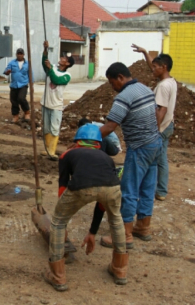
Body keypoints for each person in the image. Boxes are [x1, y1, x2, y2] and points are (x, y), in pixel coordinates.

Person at [43, 124, 128, 291]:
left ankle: (58, 276)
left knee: (58, 223)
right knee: (116, 220)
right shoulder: (106, 158)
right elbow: (102, 202)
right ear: (98, 143)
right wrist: (92, 232)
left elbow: (62, 187)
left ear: (77, 141)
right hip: (112, 188)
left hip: (80, 187)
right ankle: (120, 269)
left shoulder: (68, 154)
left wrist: (63, 218)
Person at [99, 62, 163, 249]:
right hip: (155, 143)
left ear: (120, 77)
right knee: (147, 187)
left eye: (112, 83)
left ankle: (124, 235)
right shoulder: (145, 89)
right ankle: (143, 227)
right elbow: (157, 114)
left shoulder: (124, 97)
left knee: (128, 190)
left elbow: (111, 126)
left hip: (140, 147)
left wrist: (86, 137)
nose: (113, 88)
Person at [132, 45, 177, 201]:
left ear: (163, 67)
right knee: (160, 157)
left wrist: (155, 132)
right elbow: (153, 65)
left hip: (162, 126)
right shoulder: (170, 81)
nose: (152, 69)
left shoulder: (163, 87)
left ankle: (160, 190)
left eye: (156, 67)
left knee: (158, 159)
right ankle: (160, 189)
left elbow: (161, 110)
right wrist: (145, 52)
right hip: (169, 124)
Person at [41, 41, 74, 160]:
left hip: (56, 105)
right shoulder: (53, 67)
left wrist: (49, 68)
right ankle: (47, 149)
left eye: (64, 58)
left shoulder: (67, 76)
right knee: (46, 127)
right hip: (46, 102)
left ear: (68, 63)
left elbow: (55, 80)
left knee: (54, 128)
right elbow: (45, 64)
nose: (62, 58)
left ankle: (52, 150)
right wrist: (45, 50)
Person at [3, 48, 30, 123]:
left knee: (21, 98)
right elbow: (6, 71)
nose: (19, 55)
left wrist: (32, 83)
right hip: (14, 85)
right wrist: (7, 72)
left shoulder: (27, 64)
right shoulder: (12, 63)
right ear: (16, 54)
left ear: (23, 55)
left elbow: (31, 74)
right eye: (18, 54)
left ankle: (27, 112)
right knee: (14, 101)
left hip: (23, 84)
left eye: (21, 54)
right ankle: (15, 116)